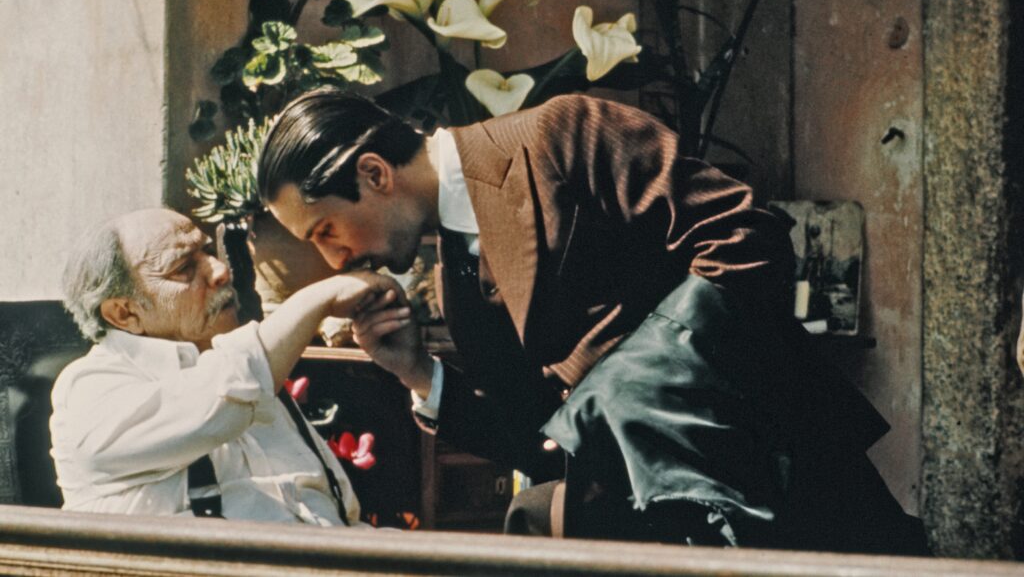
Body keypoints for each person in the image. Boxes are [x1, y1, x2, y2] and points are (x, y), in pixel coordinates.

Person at [258, 89, 929, 552]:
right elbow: (544, 442)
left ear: (374, 172)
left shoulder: (560, 136)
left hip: (775, 483)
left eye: (325, 230)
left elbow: (744, 237)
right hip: (666, 536)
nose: (333, 258)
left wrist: (621, 392)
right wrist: (417, 372)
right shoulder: (452, 274)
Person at [51, 208, 406, 524]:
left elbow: (331, 513)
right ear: (124, 313)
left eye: (207, 251)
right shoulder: (90, 391)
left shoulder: (235, 366)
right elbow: (221, 399)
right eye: (184, 267)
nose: (220, 270)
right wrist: (318, 299)